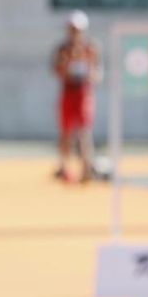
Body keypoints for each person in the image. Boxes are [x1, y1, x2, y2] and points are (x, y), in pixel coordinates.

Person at [52, 10, 100, 183]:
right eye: (72, 29)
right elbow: (57, 71)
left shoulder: (90, 48)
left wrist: (88, 69)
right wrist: (67, 61)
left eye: (77, 30)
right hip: (68, 91)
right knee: (65, 131)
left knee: (84, 131)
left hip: (83, 92)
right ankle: (64, 167)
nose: (74, 33)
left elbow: (96, 73)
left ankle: (87, 167)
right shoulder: (63, 49)